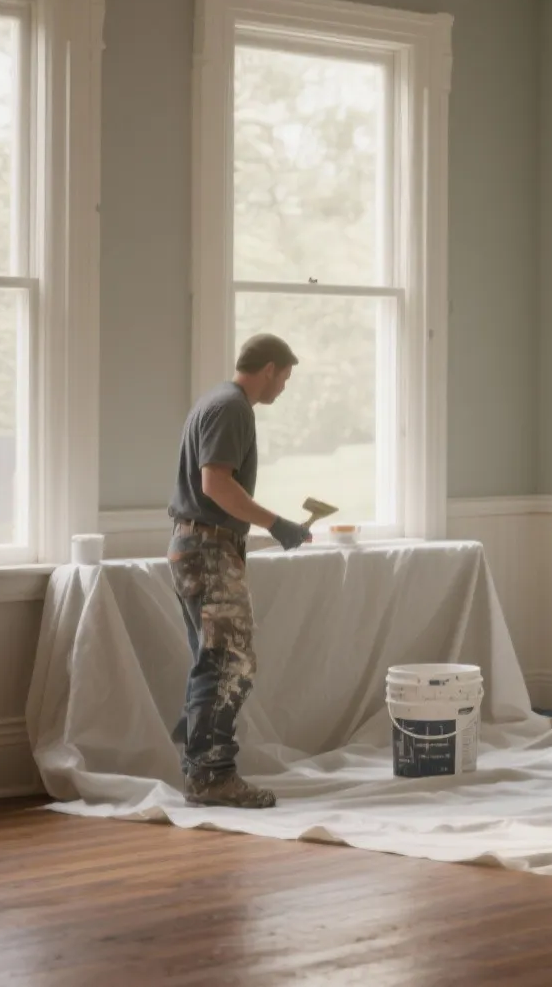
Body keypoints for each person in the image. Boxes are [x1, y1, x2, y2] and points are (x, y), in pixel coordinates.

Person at [165, 333, 314, 809]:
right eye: (284, 378)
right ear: (268, 368)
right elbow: (215, 485)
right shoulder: (232, 407)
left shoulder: (216, 401)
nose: (283, 388)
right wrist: (278, 524)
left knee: (215, 660)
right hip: (208, 548)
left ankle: (201, 768)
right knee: (231, 663)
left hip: (197, 545)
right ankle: (212, 776)